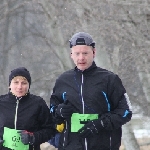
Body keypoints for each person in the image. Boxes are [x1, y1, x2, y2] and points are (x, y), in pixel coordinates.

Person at [50, 32, 132, 150]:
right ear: (71, 54)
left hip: (103, 145)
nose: (81, 58)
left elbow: (126, 111)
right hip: (71, 146)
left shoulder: (110, 79)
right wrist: (59, 111)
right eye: (77, 53)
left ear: (94, 53)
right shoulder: (62, 81)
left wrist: (101, 124)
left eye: (85, 53)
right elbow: (51, 112)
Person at [0, 67, 55, 150]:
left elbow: (50, 129)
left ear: (29, 85)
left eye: (24, 83)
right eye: (16, 82)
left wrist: (33, 137)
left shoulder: (38, 103)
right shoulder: (1, 102)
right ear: (9, 85)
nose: (19, 87)